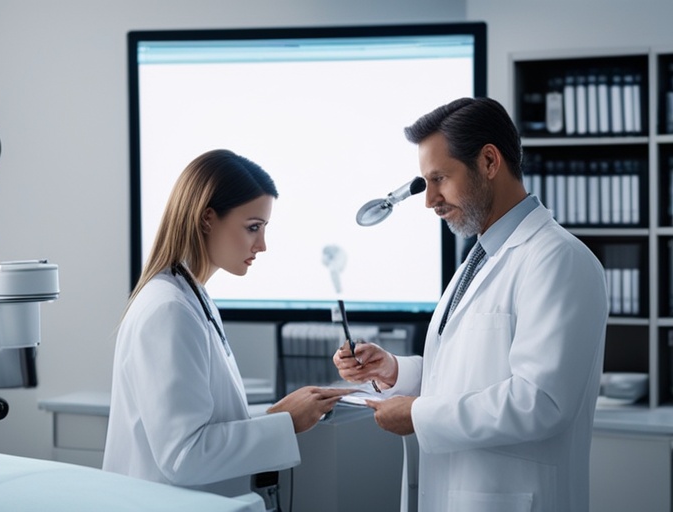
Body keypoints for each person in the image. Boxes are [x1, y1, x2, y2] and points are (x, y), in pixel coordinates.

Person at [333, 97, 608, 512]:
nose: (430, 200)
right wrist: (392, 370)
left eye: (440, 178)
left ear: (489, 162)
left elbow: (541, 402)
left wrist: (419, 417)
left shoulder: (558, 259)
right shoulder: (480, 258)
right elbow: (469, 375)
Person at [104, 149, 351, 498]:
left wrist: (275, 415)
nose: (262, 245)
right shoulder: (169, 308)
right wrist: (285, 423)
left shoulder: (191, 297)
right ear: (207, 218)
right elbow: (184, 456)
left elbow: (204, 426)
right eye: (253, 228)